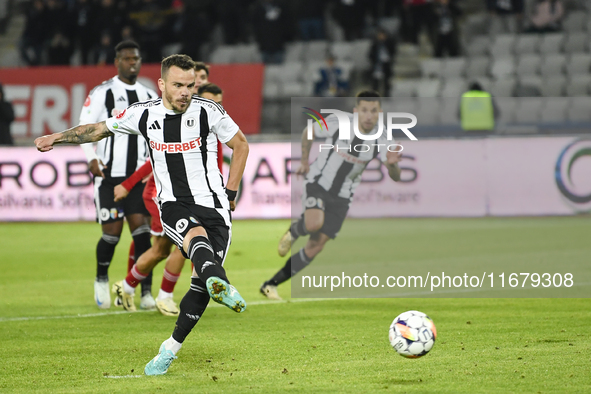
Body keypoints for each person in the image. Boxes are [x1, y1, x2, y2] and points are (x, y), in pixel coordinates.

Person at [35, 54, 249, 376]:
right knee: (194, 238)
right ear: (162, 84)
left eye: (190, 86)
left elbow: (241, 145)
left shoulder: (210, 112)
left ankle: (170, 348)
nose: (185, 92)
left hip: (215, 205)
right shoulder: (143, 115)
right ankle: (220, 280)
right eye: (178, 85)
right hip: (173, 204)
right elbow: (97, 129)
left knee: (199, 287)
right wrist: (57, 137)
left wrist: (230, 193)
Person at [260, 91, 402, 300]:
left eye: (373, 111)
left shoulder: (383, 138)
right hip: (318, 181)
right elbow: (309, 132)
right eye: (364, 110)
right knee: (314, 224)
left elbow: (396, 177)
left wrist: (392, 165)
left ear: (380, 113)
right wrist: (305, 161)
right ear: (356, 111)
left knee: (315, 246)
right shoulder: (339, 122)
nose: (369, 116)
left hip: (344, 195)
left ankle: (270, 285)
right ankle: (294, 231)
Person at [112, 83, 226, 317]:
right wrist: (128, 183)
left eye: (219, 103)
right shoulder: (179, 122)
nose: (215, 107)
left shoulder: (213, 125)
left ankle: (125, 287)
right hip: (164, 195)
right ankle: (164, 297)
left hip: (195, 196)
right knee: (184, 244)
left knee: (162, 249)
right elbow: (151, 160)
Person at [79, 40, 158, 310]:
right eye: (126, 59)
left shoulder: (149, 95)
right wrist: (91, 158)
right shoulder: (103, 92)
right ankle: (101, 278)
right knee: (111, 235)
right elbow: (84, 127)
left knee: (142, 235)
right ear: (117, 62)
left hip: (137, 179)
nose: (132, 63)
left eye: (135, 58)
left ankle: (145, 292)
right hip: (109, 177)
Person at [369, 28, 397, 97]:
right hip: (377, 65)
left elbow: (393, 52)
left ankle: (386, 94)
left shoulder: (389, 43)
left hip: (386, 65)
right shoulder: (375, 44)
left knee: (386, 81)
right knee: (375, 81)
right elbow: (370, 54)